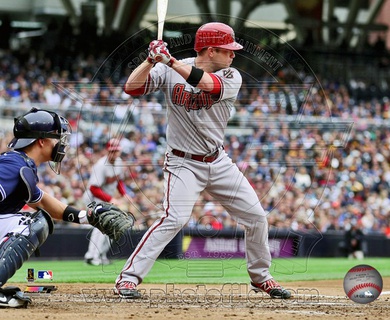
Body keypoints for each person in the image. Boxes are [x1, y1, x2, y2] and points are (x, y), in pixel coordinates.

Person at [114, 22, 291, 299]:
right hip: (183, 162)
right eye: (228, 50)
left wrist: (168, 60)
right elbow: (132, 88)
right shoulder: (170, 68)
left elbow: (208, 85)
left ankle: (261, 277)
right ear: (210, 50)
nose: (233, 55)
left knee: (256, 217)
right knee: (173, 218)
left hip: (218, 161)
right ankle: (128, 279)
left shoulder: (231, 75)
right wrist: (150, 60)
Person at [0, 108, 129, 308]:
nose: (60, 144)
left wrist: (87, 216)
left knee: (36, 217)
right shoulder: (12, 165)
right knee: (33, 224)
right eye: (56, 138)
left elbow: (42, 201)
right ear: (41, 141)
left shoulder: (20, 163)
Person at [84, 138, 129, 265]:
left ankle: (101, 255)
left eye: (117, 151)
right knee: (101, 226)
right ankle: (92, 256)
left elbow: (118, 180)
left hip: (107, 198)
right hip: (94, 198)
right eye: (112, 151)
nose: (115, 154)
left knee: (113, 227)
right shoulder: (100, 165)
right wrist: (112, 199)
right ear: (108, 151)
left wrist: (124, 194)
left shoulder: (119, 162)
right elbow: (93, 188)